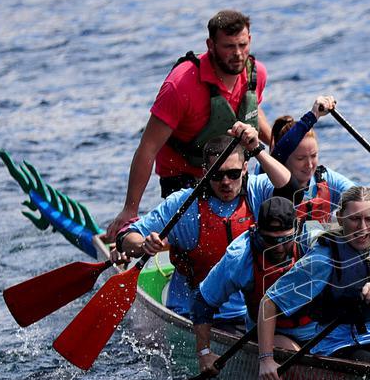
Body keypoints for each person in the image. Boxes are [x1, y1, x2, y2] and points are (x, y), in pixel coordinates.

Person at [105, 10, 274, 240]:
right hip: (184, 178)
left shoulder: (256, 73)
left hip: (232, 173)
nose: (237, 54)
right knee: (203, 239)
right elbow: (148, 148)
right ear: (210, 45)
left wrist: (280, 146)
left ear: (250, 41)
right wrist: (130, 210)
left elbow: (251, 110)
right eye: (228, 46)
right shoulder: (180, 85)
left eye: (242, 45)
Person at [114, 129, 277, 325]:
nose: (226, 182)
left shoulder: (257, 190)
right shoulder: (183, 204)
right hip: (192, 313)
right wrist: (142, 246)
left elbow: (291, 185)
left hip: (249, 313)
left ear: (244, 168)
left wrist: (258, 148)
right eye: (217, 175)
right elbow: (125, 237)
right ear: (205, 171)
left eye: (233, 174)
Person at [256, 186, 370, 380]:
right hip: (342, 343)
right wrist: (266, 359)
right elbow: (269, 302)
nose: (362, 227)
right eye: (354, 219)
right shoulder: (323, 259)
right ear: (340, 218)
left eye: (369, 219)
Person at [190, 197, 320, 374]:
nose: (279, 248)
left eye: (285, 239)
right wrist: (204, 353)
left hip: (318, 329)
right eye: (270, 240)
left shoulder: (315, 244)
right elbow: (203, 302)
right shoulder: (240, 257)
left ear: (297, 228)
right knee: (295, 360)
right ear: (257, 230)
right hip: (273, 335)